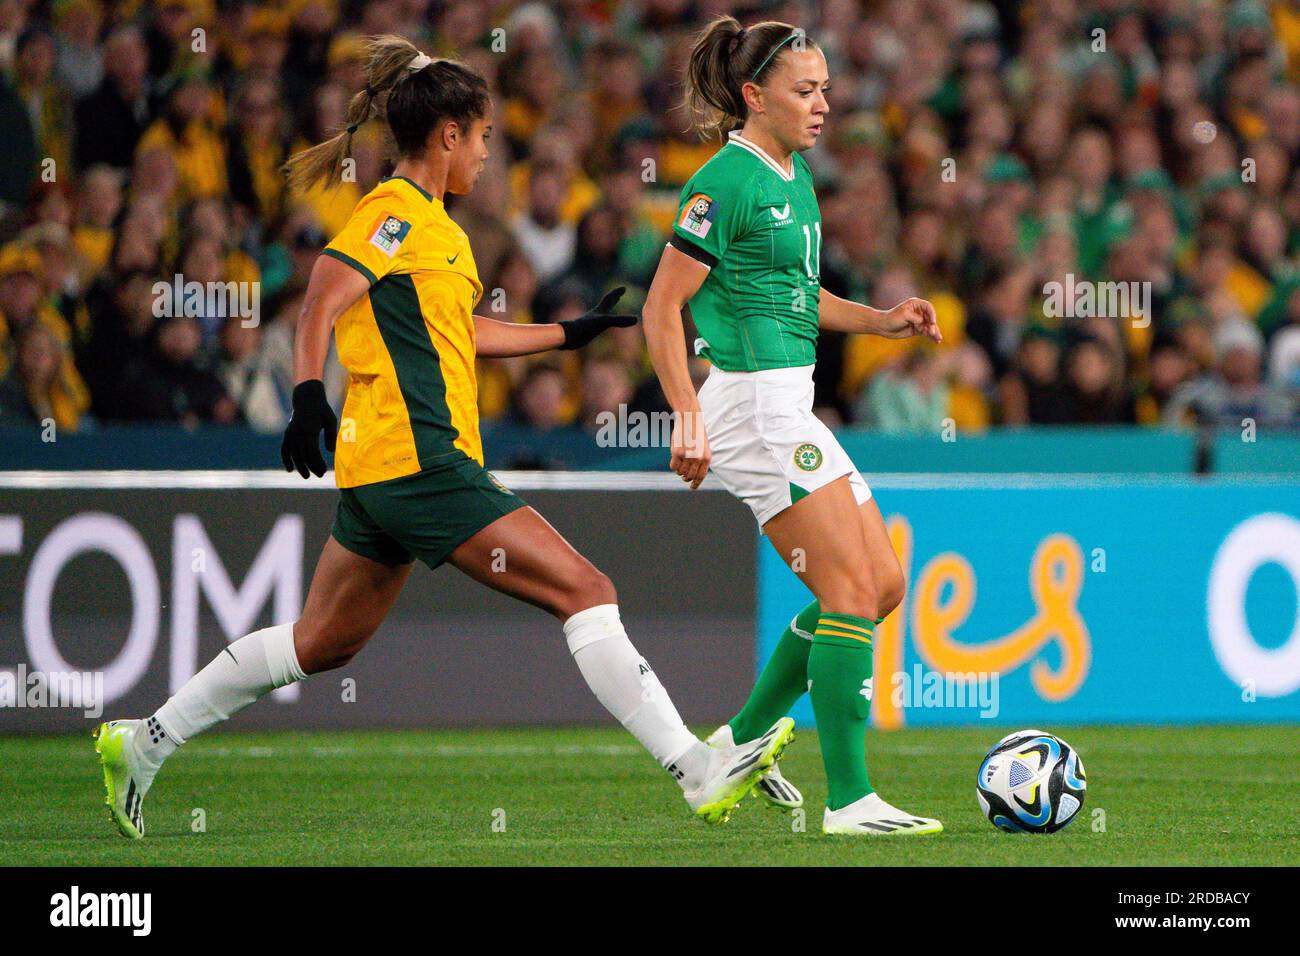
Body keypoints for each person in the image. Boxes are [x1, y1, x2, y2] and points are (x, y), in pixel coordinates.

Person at [94, 36, 792, 840]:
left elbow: (458, 333)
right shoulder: (391, 212)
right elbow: (321, 299)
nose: (491, 155)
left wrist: (566, 335)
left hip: (381, 469)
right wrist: (305, 396)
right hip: (422, 458)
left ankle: (142, 742)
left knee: (322, 643)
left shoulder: (438, 230)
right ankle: (694, 769)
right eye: (486, 136)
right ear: (450, 133)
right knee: (587, 590)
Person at [642, 17, 944, 836]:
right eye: (805, 91)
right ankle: (851, 802)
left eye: (825, 90)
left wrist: (880, 321)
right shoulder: (723, 182)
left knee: (880, 586)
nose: (822, 105)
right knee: (847, 588)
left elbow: (795, 294)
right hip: (751, 408)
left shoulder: (795, 172)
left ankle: (733, 748)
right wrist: (688, 417)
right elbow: (661, 306)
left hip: (790, 405)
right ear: (754, 95)